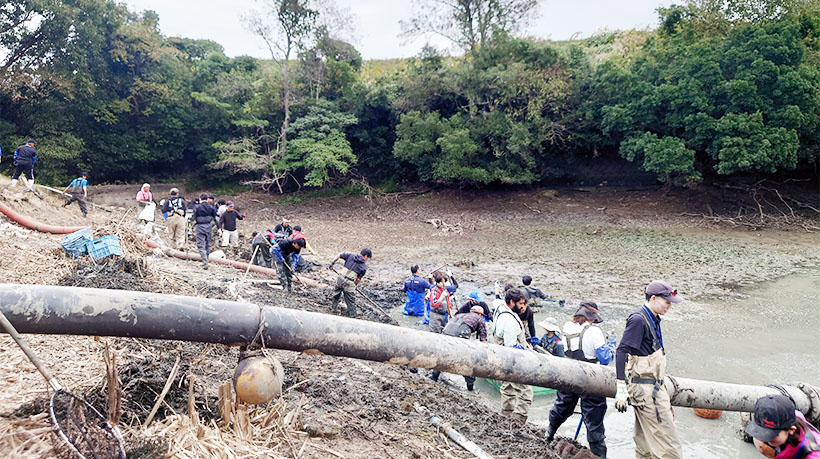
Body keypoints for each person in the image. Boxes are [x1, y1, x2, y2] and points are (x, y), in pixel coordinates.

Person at [615, 280, 684, 459]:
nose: (669, 306)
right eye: (667, 302)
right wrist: (621, 387)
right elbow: (622, 351)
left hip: (651, 387)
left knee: (645, 441)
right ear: (653, 298)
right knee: (669, 446)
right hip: (647, 391)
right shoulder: (638, 320)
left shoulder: (652, 318)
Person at [546, 302, 616, 457]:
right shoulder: (594, 331)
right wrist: (611, 347)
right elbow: (604, 359)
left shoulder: (566, 327)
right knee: (593, 419)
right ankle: (599, 454)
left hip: (569, 373)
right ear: (591, 317)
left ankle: (548, 435)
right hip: (590, 377)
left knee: (561, 406)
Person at [492, 287, 533, 422]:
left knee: (508, 388)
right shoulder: (508, 320)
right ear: (511, 302)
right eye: (520, 304)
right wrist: (528, 352)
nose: (523, 307)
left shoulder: (500, 308)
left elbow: (495, 301)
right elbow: (511, 347)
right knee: (526, 393)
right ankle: (518, 422)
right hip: (512, 361)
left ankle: (505, 416)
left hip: (503, 359)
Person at [429, 305, 487, 391]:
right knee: (466, 362)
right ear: (480, 314)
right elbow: (484, 341)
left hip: (444, 335)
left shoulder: (459, 315)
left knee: (442, 356)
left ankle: (434, 378)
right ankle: (470, 388)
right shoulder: (479, 319)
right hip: (459, 336)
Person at [746, 394, 820, 459]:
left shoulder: (812, 455)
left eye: (773, 434)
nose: (767, 439)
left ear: (791, 430)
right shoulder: (790, 415)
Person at [328, 248, 371, 317]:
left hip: (340, 279)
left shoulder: (350, 255)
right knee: (351, 301)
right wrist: (355, 285)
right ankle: (353, 315)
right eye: (368, 258)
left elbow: (339, 255)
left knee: (336, 295)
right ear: (366, 256)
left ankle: (333, 309)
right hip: (349, 283)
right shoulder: (363, 267)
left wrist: (332, 264)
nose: (367, 260)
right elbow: (357, 280)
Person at [193, 193, 220, 270]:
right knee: (207, 244)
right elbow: (215, 217)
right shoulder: (211, 207)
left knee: (200, 244)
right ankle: (206, 261)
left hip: (199, 226)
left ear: (200, 199)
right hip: (208, 226)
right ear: (207, 199)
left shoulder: (197, 207)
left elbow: (193, 217)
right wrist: (219, 227)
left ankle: (205, 262)